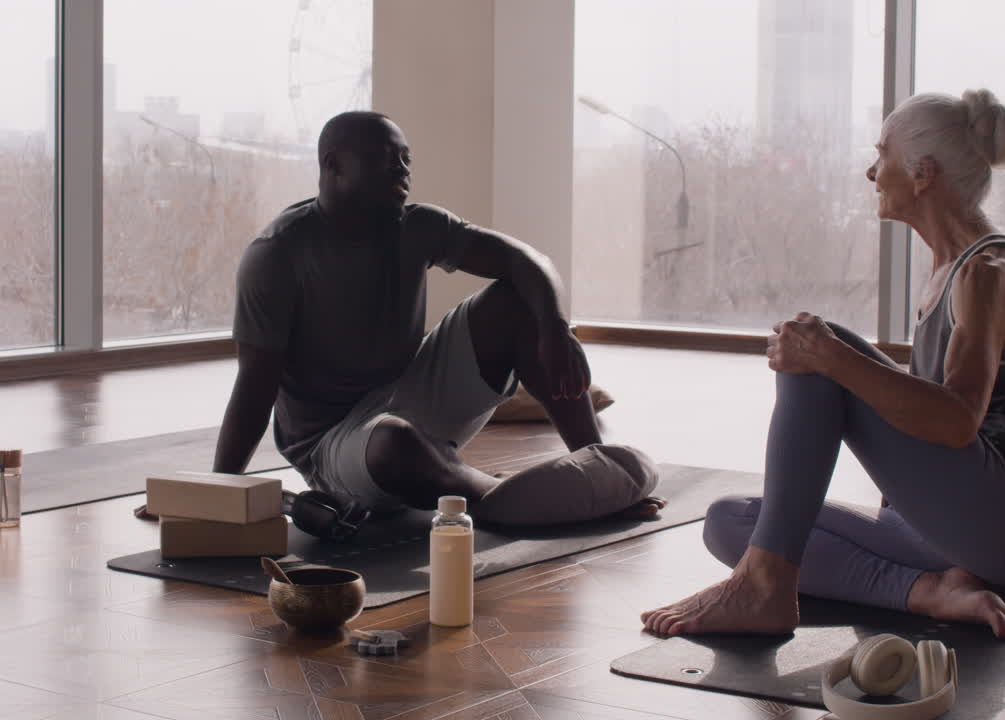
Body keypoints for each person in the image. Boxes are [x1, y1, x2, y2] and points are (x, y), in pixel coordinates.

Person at [641, 89, 1005, 640]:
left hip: (995, 525)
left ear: (923, 174)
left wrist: (830, 356)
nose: (872, 171)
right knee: (731, 521)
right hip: (938, 529)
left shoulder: (992, 269)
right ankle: (927, 592)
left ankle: (767, 591)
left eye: (882, 154)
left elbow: (957, 420)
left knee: (824, 347)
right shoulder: (949, 269)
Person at [138, 110, 660, 522]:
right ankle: (496, 496)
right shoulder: (277, 254)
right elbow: (255, 387)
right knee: (394, 441)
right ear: (332, 166)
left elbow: (527, 261)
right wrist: (213, 495)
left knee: (520, 301)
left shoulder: (417, 227)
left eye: (406, 159)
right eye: (385, 158)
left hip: (411, 394)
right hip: (334, 444)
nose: (402, 170)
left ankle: (599, 467)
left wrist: (554, 326)